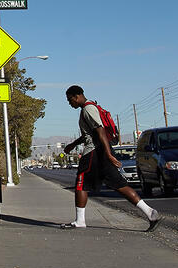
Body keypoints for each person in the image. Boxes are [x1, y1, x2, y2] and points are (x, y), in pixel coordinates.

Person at [61, 85, 160, 231]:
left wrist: (108, 154)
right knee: (120, 185)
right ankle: (150, 213)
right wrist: (72, 144)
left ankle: (80, 221)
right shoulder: (89, 108)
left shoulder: (88, 109)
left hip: (94, 153)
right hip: (100, 152)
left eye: (70, 100)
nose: (70, 103)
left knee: (81, 184)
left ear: (77, 96)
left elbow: (100, 131)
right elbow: (90, 134)